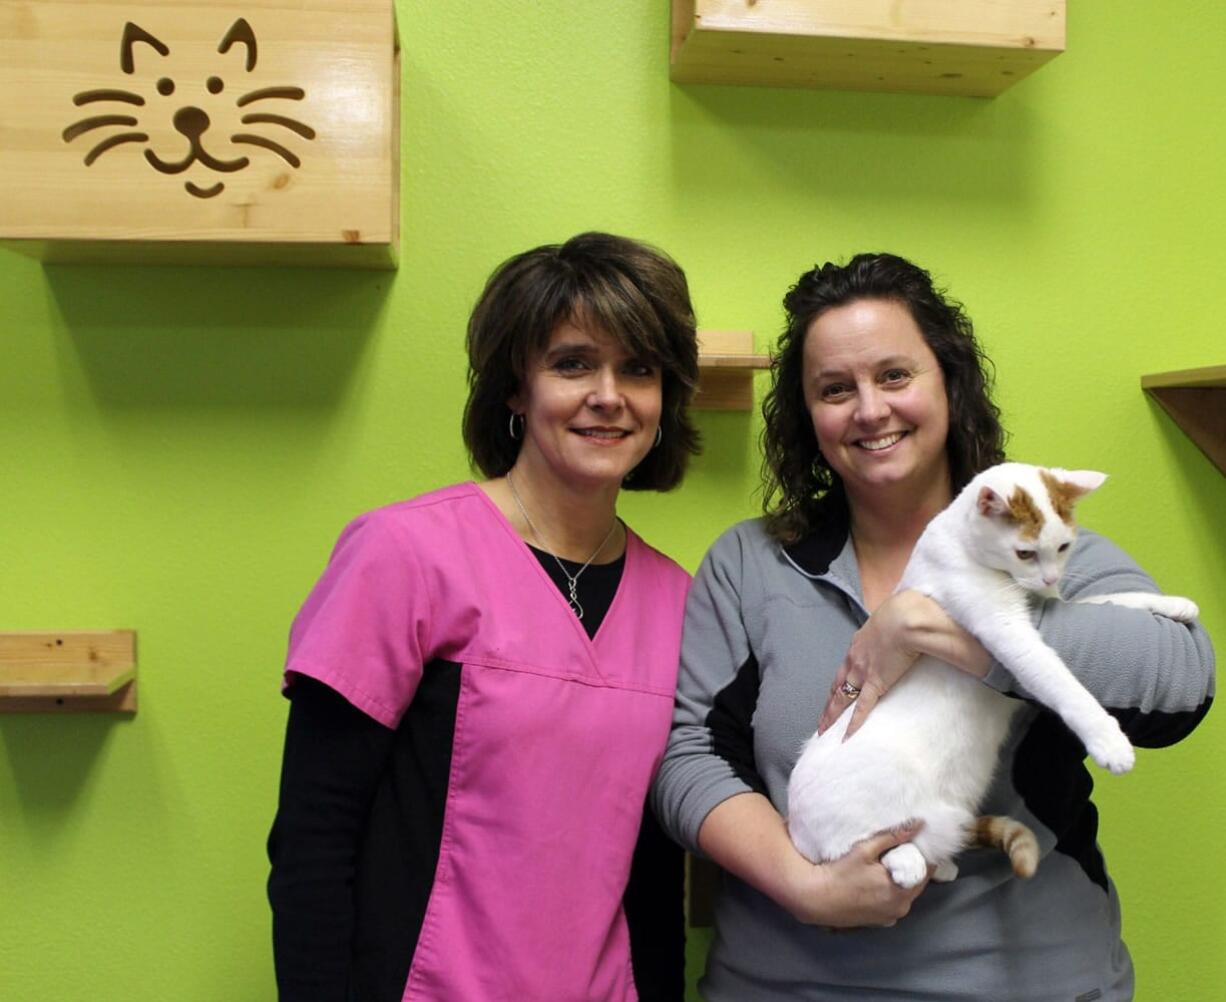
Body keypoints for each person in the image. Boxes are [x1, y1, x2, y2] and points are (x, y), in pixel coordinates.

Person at [653, 253, 1215, 1000]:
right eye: (834, 389)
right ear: (806, 417)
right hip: (789, 979)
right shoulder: (751, 565)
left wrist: (929, 627)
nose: (869, 410)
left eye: (895, 375)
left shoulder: (1037, 548)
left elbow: (1182, 685)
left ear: (949, 382)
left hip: (1031, 978)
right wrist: (803, 886)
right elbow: (689, 756)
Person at [267, 232, 702, 1001]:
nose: (609, 394)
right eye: (573, 363)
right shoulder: (403, 554)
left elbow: (654, 875)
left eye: (638, 368)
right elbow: (313, 839)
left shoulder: (678, 599)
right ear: (515, 387)